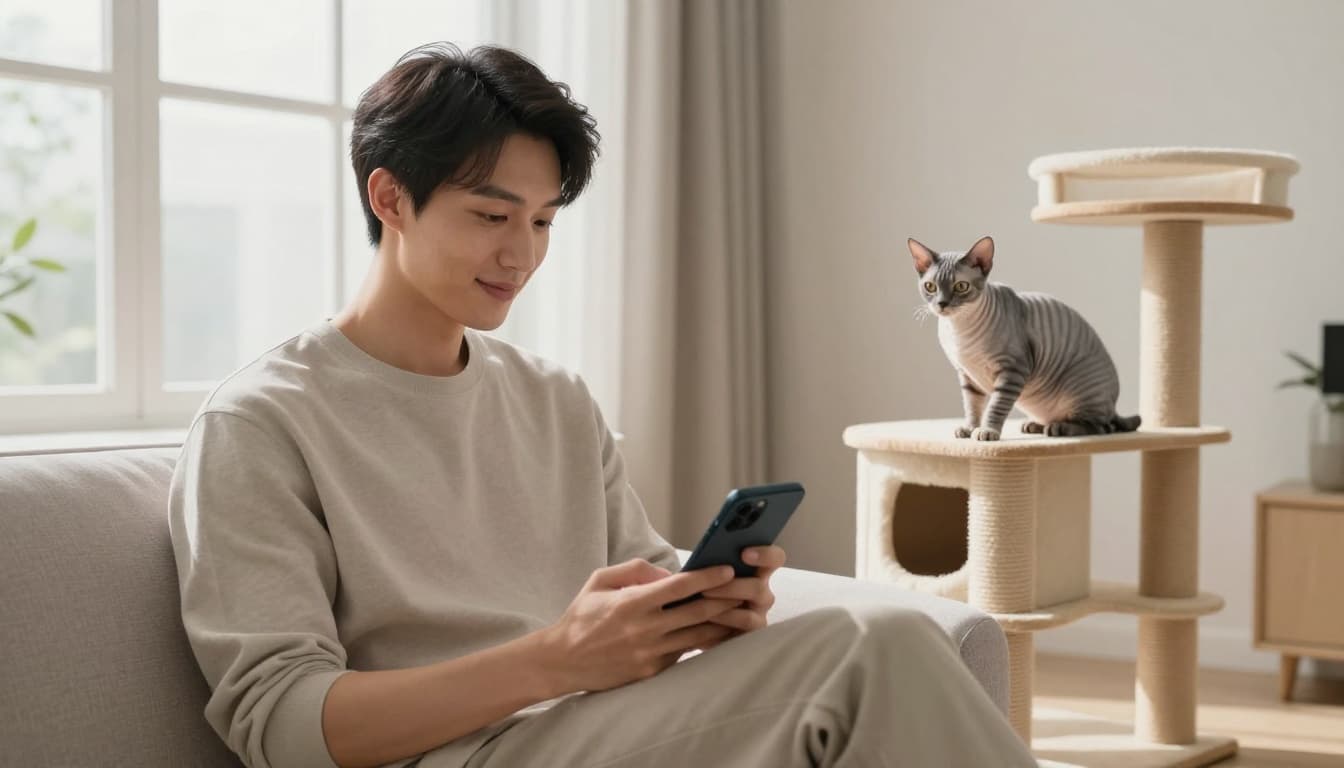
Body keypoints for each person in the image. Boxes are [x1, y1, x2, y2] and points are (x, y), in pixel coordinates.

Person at [168, 42, 1035, 768]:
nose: (521, 255)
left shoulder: (552, 397)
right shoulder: (261, 423)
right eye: (490, 215)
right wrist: (553, 660)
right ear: (390, 197)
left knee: (894, 639)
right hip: (456, 754)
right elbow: (281, 723)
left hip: (590, 729)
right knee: (869, 652)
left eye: (543, 222)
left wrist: (708, 607)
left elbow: (641, 575)